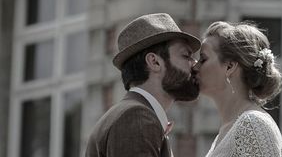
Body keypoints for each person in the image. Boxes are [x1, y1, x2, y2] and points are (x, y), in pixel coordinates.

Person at [85, 13, 201, 157]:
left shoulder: (132, 114)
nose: (195, 65)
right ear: (154, 62)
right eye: (186, 56)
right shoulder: (136, 117)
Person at [193, 21, 282, 157]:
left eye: (203, 59)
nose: (195, 67)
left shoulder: (253, 124)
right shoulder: (229, 129)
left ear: (229, 67)